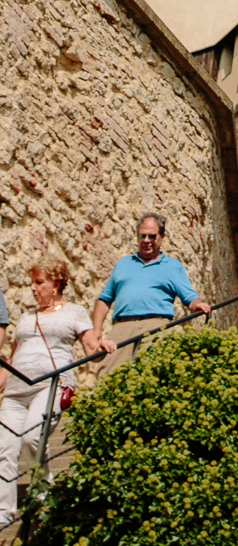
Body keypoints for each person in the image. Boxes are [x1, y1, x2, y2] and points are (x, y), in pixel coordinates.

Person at [0, 257, 113, 528]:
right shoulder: (27, 317)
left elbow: (90, 349)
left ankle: (42, 494)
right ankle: (4, 512)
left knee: (31, 437)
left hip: (51, 385)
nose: (33, 289)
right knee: (4, 448)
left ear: (57, 283)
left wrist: (103, 345)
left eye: (40, 283)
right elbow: (14, 359)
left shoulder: (74, 312)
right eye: (32, 283)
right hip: (16, 391)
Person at [91, 213, 211, 372]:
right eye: (142, 235)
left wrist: (198, 305)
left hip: (156, 325)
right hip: (122, 327)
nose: (146, 240)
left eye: (152, 236)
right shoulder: (123, 264)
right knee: (110, 375)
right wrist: (96, 329)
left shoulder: (172, 266)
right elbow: (104, 299)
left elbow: (190, 298)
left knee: (153, 374)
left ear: (162, 237)